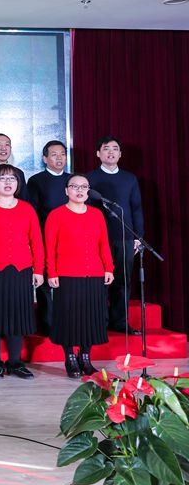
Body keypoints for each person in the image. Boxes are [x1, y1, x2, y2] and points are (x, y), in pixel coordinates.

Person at [0, 164, 44, 379]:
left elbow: (37, 241)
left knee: (18, 316)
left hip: (21, 269)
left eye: (12, 179)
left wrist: (38, 269)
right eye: (3, 178)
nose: (8, 182)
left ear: (18, 183)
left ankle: (15, 362)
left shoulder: (27, 208)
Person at [45, 175, 115, 378]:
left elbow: (103, 243)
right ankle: (70, 357)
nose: (80, 190)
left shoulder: (96, 214)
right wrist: (51, 272)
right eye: (74, 186)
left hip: (94, 273)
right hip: (66, 274)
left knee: (91, 317)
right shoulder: (56, 215)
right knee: (68, 317)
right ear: (66, 191)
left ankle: (85, 357)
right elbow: (50, 246)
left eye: (84, 187)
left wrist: (108, 268)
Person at [85, 136, 144, 336]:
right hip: (97, 239)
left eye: (115, 148)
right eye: (106, 148)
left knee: (122, 281)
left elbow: (136, 208)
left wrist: (137, 237)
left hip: (125, 237)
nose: (111, 152)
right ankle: (99, 322)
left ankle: (120, 322)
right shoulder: (89, 178)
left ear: (120, 154)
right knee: (99, 281)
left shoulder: (130, 179)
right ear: (98, 153)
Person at [26, 140, 71, 335]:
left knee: (67, 281)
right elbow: (33, 213)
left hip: (70, 240)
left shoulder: (73, 180)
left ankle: (67, 321)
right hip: (45, 238)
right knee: (45, 283)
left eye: (62, 154)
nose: (59, 158)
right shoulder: (36, 181)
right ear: (45, 159)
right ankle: (47, 324)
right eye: (54, 154)